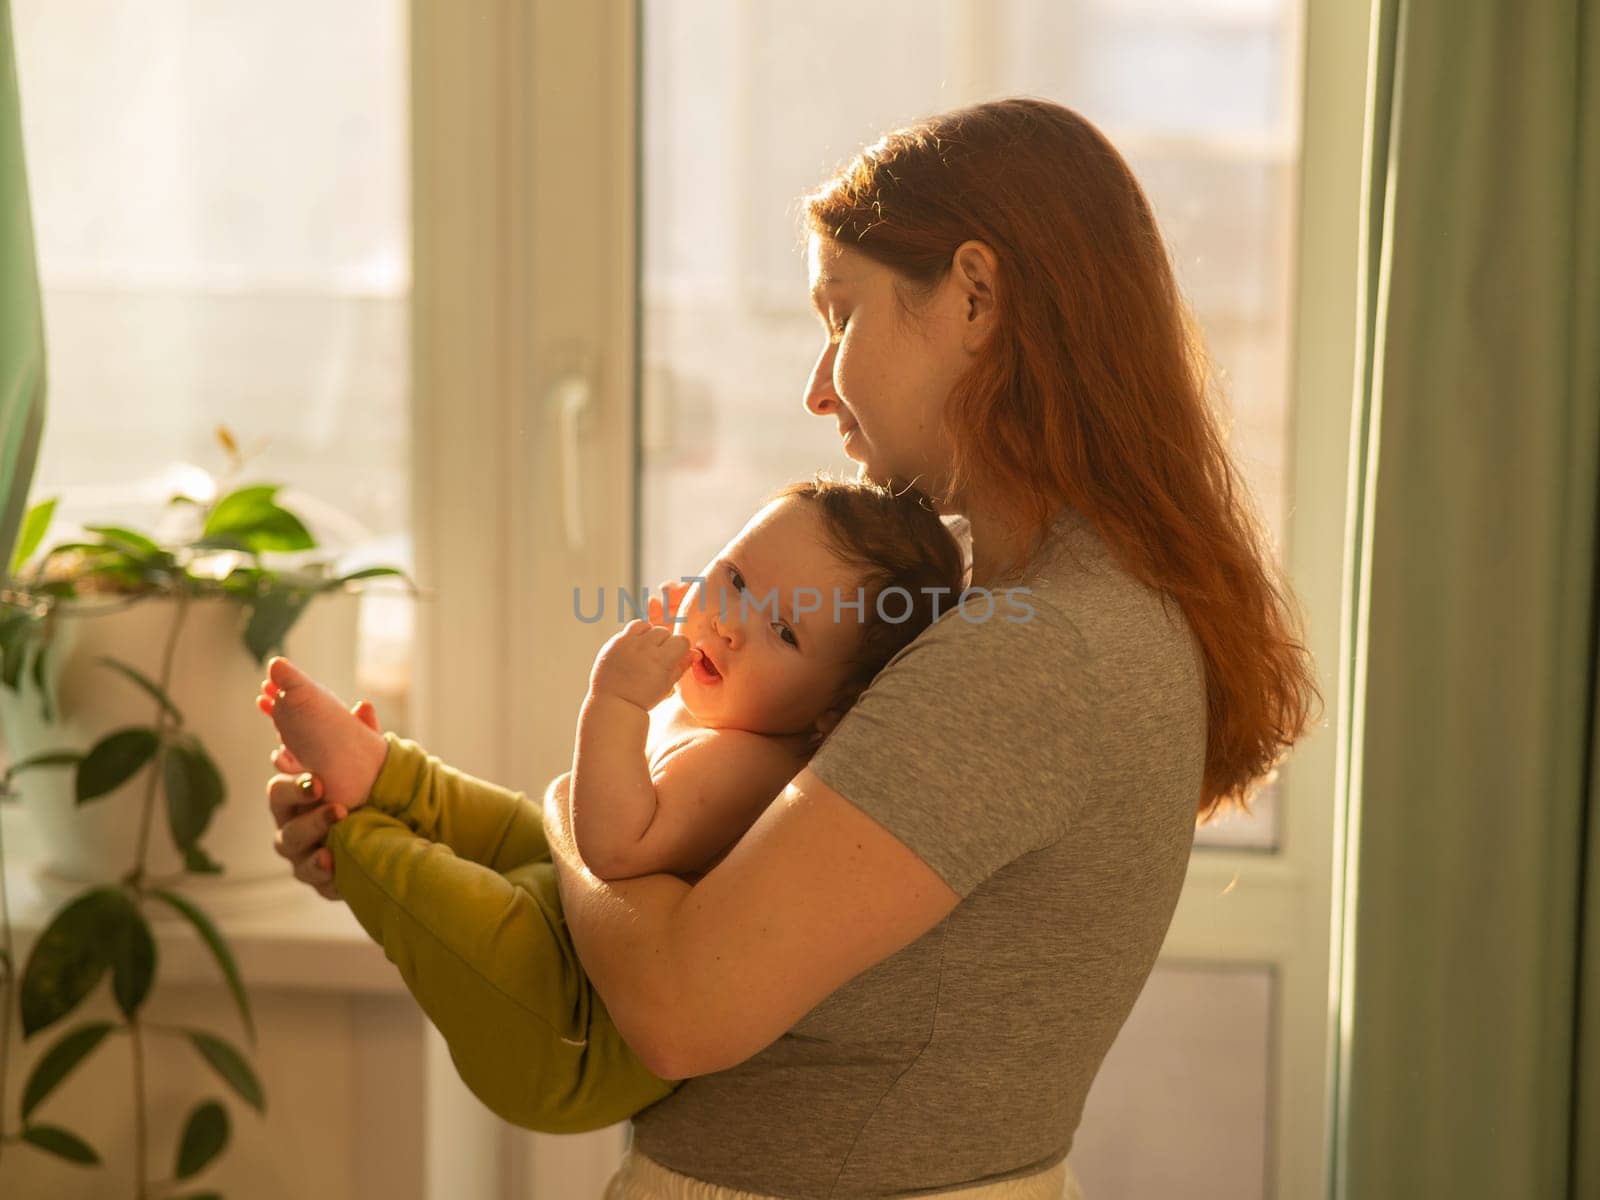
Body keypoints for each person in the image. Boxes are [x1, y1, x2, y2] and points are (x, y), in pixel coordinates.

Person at [269, 97, 1321, 1198]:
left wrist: (581, 812)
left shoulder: (1033, 656)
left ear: (974, 296)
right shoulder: (1056, 614)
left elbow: (677, 1008)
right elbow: (703, 892)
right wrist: (392, 825)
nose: (817, 387)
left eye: (842, 314)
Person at [257, 475, 968, 1132]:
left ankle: (361, 830)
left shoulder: (753, 766)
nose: (728, 624)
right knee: (515, 827)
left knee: (459, 890)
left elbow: (613, 847)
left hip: (562, 1021)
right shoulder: (726, 718)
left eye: (784, 631)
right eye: (735, 578)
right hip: (569, 925)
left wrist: (618, 701)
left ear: (832, 710)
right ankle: (382, 772)